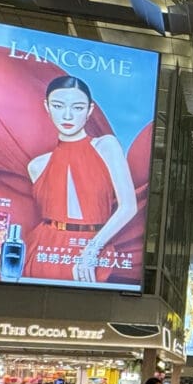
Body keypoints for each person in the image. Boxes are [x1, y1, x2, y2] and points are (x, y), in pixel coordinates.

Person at [24, 75, 138, 283]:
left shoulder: (106, 146)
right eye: (58, 106)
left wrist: (92, 250)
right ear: (47, 107)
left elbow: (129, 206)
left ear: (90, 110)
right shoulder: (37, 165)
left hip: (94, 249)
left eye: (77, 108)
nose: (67, 115)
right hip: (46, 249)